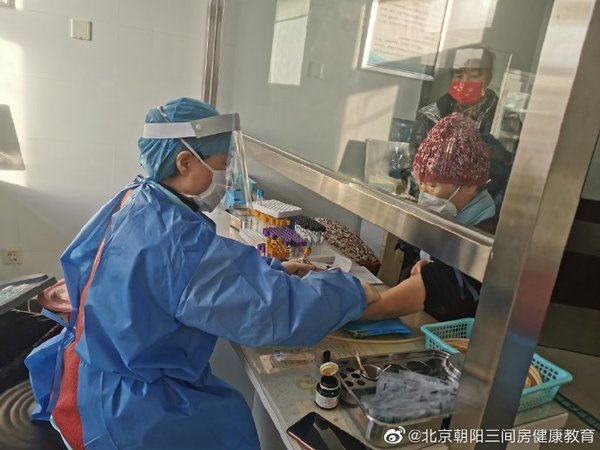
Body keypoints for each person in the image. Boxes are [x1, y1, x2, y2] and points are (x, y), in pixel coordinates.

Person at [26, 97, 380, 450]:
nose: (226, 176)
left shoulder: (137, 199)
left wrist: (274, 268)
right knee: (230, 425)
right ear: (184, 162)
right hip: (135, 414)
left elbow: (191, 278)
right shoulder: (178, 241)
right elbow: (274, 311)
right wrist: (357, 292)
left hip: (92, 377)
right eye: (222, 165)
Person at [362, 113, 496, 322]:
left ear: (470, 186)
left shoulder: (488, 232)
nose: (424, 193)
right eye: (421, 183)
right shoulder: (449, 216)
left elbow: (436, 284)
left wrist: (350, 311)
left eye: (433, 185)